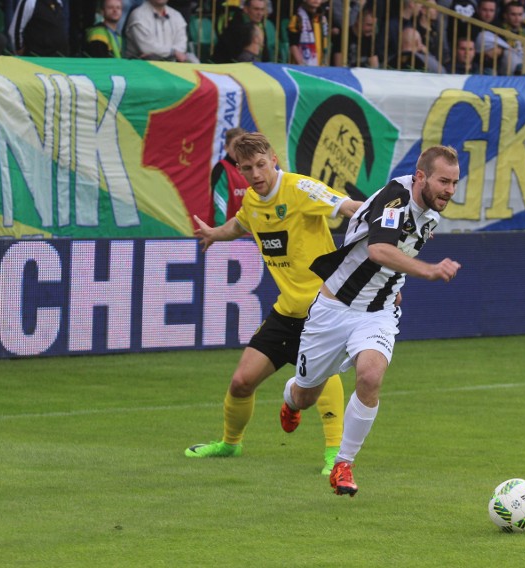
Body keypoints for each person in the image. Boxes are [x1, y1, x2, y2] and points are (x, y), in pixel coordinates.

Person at [279, 145, 462, 496]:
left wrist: (394, 285)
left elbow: (396, 252)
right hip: (334, 310)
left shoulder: (430, 213)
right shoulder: (395, 197)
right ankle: (290, 399)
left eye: (455, 183)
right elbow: (379, 249)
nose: (450, 191)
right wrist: (429, 271)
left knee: (371, 375)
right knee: (305, 394)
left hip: (377, 314)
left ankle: (343, 464)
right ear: (421, 176)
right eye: (444, 181)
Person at [185, 133, 362, 475]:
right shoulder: (253, 201)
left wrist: (381, 214)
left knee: (322, 378)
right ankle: (230, 444)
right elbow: (240, 223)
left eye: (261, 165)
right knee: (241, 382)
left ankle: (334, 456)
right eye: (247, 168)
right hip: (286, 311)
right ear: (239, 169)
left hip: (322, 309)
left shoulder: (299, 189)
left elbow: (346, 206)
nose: (255, 174)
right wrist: (213, 234)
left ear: (274, 159)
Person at [124, 0, 198, 62]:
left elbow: (181, 47)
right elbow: (147, 49)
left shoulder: (177, 15)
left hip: (170, 69)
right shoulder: (138, 15)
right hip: (141, 69)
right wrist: (174, 52)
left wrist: (167, 52)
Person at [210, 127, 249, 227]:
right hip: (226, 234)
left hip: (250, 233)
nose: (239, 150)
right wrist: (219, 232)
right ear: (226, 147)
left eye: (242, 146)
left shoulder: (252, 168)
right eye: (235, 146)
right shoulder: (221, 168)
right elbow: (220, 203)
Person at [332, 3, 380, 68]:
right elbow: (339, 66)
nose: (372, 29)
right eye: (369, 25)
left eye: (374, 25)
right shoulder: (343, 36)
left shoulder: (369, 38)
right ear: (358, 21)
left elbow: (375, 66)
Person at [287, 0, 329, 65]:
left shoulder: (322, 18)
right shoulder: (297, 18)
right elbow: (293, 44)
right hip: (302, 66)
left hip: (320, 64)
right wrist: (300, 63)